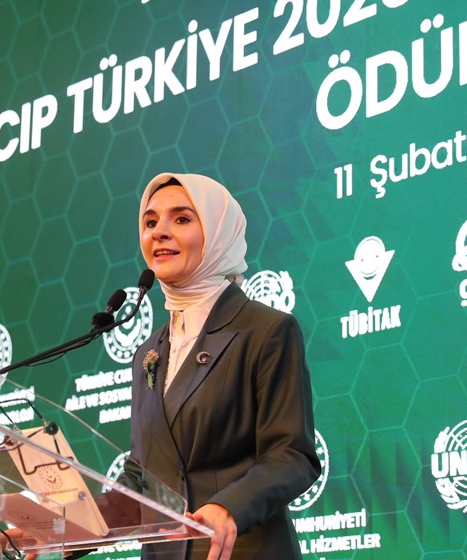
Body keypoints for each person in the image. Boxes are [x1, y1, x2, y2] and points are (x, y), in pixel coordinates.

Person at [124, 172, 320, 560]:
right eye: (150, 222)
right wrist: (63, 523)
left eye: (181, 219)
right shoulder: (148, 353)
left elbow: (292, 455)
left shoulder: (266, 330)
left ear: (218, 234)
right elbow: (140, 474)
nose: (159, 232)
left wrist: (230, 507)